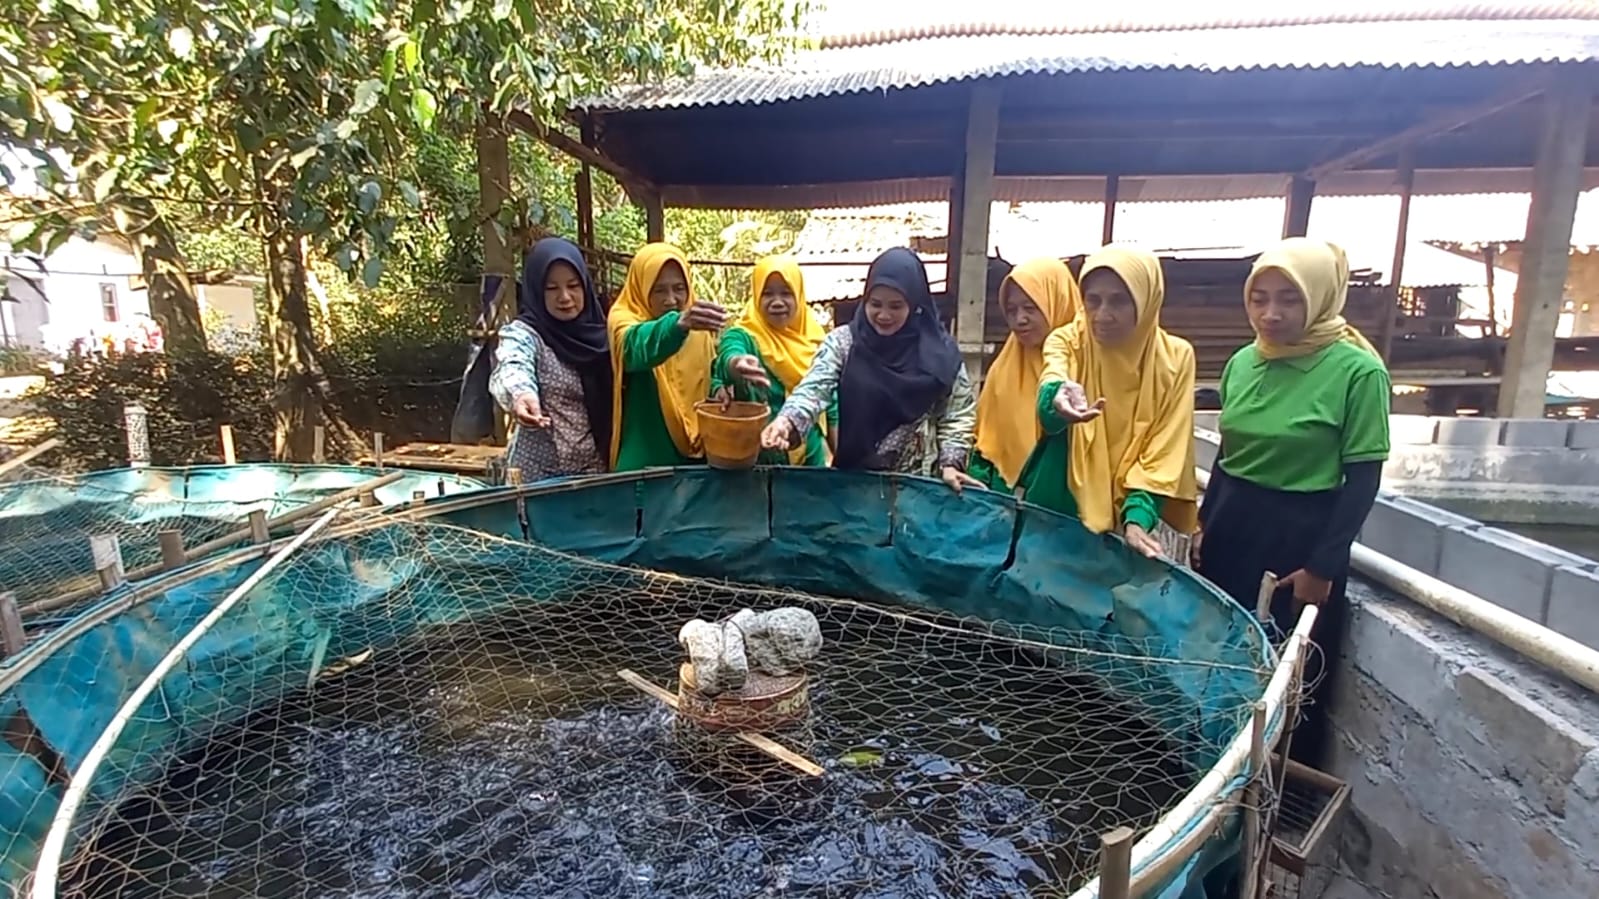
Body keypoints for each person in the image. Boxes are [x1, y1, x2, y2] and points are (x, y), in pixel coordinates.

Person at [1194, 237, 1389, 769]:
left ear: (1321, 298)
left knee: (1290, 670)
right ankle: (1213, 772)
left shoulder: (1357, 373)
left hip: (1299, 539)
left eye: (1289, 299)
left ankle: (1280, 789)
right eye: (1260, 298)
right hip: (1234, 526)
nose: (1271, 313)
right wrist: (1204, 523)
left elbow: (1363, 477)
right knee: (1226, 655)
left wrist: (1322, 564)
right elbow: (1228, 455)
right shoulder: (1242, 362)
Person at [1015, 246, 1198, 557]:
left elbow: (1165, 447)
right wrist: (1056, 399)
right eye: (1093, 300)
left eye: (1119, 301)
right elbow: (1053, 376)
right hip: (1058, 496)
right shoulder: (1068, 339)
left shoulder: (1176, 359)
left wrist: (1138, 518)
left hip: (1130, 513)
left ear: (1146, 299)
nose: (1102, 315)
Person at [759, 247, 980, 492]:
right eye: (875, 304)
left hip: (920, 489)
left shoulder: (941, 352)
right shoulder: (845, 343)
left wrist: (951, 463)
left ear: (915, 304)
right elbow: (814, 388)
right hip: (856, 487)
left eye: (896, 306)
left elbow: (957, 413)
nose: (884, 315)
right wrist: (787, 421)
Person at [489, 237, 614, 481]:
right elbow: (512, 363)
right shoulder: (525, 334)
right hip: (537, 475)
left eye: (573, 285)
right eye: (552, 288)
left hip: (594, 473)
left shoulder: (605, 335)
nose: (565, 297)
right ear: (536, 289)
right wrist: (522, 394)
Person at [606, 243, 727, 471]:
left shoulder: (697, 326)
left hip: (697, 459)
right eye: (659, 290)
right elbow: (635, 348)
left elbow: (708, 371)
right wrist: (677, 326)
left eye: (679, 288)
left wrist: (717, 388)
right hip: (645, 466)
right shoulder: (623, 319)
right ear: (641, 286)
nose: (671, 299)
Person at [967, 257, 1081, 491]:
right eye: (1011, 310)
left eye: (1031, 308)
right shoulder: (1005, 368)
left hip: (1067, 513)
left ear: (1058, 301)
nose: (1019, 320)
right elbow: (985, 446)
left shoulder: (1087, 366)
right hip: (1005, 508)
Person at [711, 255, 833, 465]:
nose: (777, 302)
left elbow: (831, 399)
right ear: (756, 296)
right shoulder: (746, 335)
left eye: (786, 293)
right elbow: (729, 352)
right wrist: (736, 363)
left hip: (811, 459)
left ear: (799, 295)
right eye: (767, 294)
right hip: (758, 459)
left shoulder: (815, 340)